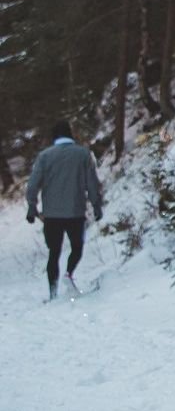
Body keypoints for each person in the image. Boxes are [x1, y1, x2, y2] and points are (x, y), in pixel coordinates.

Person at [26, 119, 103, 300]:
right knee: (77, 247)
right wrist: (96, 204)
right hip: (75, 212)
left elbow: (32, 185)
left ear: (54, 136)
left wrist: (32, 206)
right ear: (70, 134)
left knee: (54, 252)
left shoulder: (45, 156)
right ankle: (69, 274)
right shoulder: (83, 154)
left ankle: (53, 293)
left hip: (52, 215)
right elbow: (92, 183)